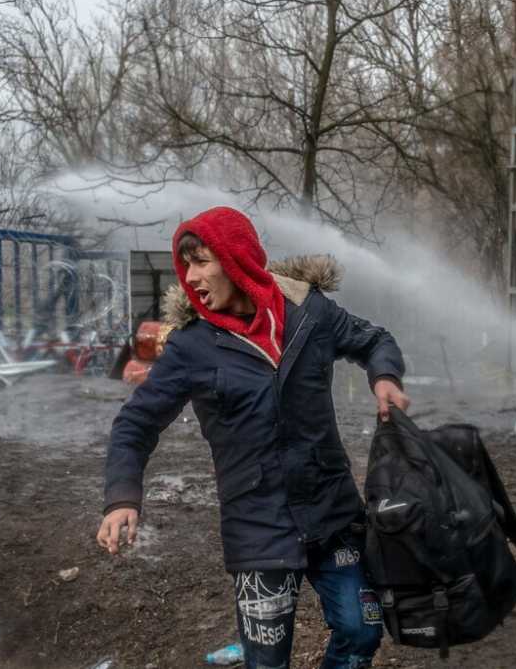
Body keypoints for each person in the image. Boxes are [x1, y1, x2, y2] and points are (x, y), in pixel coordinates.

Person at [98, 206, 410, 669]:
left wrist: (385, 377)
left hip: (332, 513)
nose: (191, 276)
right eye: (186, 265)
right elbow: (135, 424)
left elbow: (374, 339)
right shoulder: (190, 347)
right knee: (267, 662)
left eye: (202, 261)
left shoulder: (311, 316)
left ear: (237, 257)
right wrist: (122, 497)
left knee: (361, 633)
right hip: (257, 529)